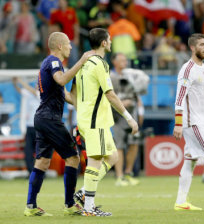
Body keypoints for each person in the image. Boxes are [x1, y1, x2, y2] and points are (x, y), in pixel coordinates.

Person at [24, 31, 94, 217]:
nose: (71, 47)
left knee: (42, 161)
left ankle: (30, 206)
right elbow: (62, 80)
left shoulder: (51, 65)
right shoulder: (54, 62)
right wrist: (81, 62)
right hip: (50, 119)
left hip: (43, 118)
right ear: (60, 46)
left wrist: (85, 105)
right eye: (69, 44)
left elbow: (65, 95)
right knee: (73, 158)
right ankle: (70, 205)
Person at [70, 28, 138, 216]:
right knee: (95, 161)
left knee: (113, 157)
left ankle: (84, 192)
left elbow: (72, 94)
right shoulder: (100, 63)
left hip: (90, 118)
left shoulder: (82, 64)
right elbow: (110, 94)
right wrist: (130, 118)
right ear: (104, 43)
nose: (110, 42)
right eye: (109, 39)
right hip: (95, 120)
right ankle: (89, 208)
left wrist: (81, 112)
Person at [173, 33, 204, 211]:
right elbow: (179, 98)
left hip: (201, 122)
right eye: (201, 44)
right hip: (191, 121)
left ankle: (180, 202)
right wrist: (178, 123)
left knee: (190, 160)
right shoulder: (188, 70)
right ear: (192, 48)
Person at [110, 52, 144, 187]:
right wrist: (121, 103)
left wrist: (139, 108)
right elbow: (108, 96)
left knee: (134, 143)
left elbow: (136, 94)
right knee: (119, 145)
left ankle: (128, 173)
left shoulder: (130, 77)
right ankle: (119, 177)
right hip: (117, 116)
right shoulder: (110, 77)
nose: (125, 62)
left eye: (125, 60)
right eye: (122, 60)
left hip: (132, 115)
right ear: (114, 62)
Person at [12, 77, 39, 175]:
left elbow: (30, 90)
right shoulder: (29, 94)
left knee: (39, 152)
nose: (36, 86)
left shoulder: (41, 95)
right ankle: (31, 172)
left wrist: (20, 81)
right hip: (29, 127)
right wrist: (15, 83)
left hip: (39, 128)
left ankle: (39, 173)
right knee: (28, 151)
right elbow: (20, 90)